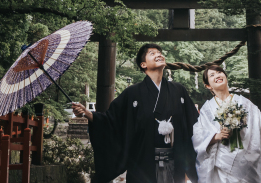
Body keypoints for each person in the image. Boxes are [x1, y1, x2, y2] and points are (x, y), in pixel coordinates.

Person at [72, 44, 199, 183]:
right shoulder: (132, 93)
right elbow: (112, 120)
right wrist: (87, 114)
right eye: (152, 53)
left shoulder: (178, 90)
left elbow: (194, 122)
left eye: (160, 52)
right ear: (143, 64)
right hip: (142, 163)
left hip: (174, 162)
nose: (159, 55)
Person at [192, 64, 261, 183]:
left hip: (247, 164)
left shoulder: (244, 102)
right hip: (222, 166)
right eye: (212, 75)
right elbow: (198, 135)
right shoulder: (207, 109)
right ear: (208, 86)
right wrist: (216, 136)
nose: (217, 75)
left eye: (219, 72)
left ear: (226, 77)